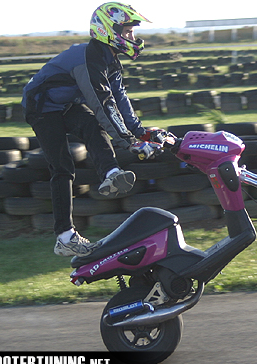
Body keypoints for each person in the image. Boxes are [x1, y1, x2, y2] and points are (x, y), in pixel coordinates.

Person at [22, 2, 161, 257]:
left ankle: (111, 172)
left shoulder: (110, 60)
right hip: (41, 106)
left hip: (66, 105)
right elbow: (104, 105)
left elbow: (121, 101)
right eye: (127, 31)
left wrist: (140, 132)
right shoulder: (88, 60)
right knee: (62, 167)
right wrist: (129, 142)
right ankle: (65, 237)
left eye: (132, 32)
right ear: (109, 30)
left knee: (92, 125)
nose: (133, 37)